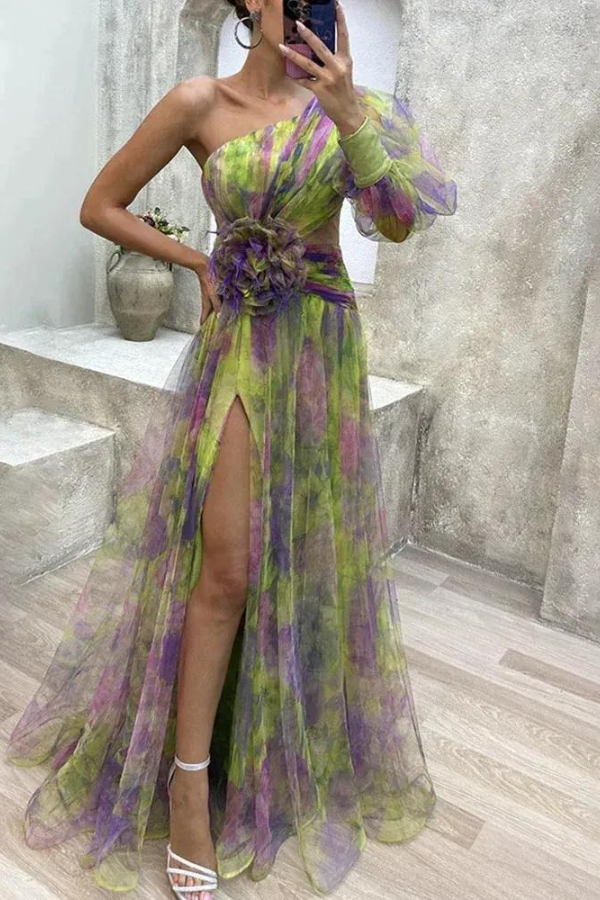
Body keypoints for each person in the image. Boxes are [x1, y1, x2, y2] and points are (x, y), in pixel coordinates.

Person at [5, 1, 457, 899]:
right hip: (243, 342)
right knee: (227, 569)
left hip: (323, 349)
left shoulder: (355, 108)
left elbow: (402, 221)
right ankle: (187, 787)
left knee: (307, 557)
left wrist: (350, 112)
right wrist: (199, 262)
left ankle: (273, 735)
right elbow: (100, 205)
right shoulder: (198, 102)